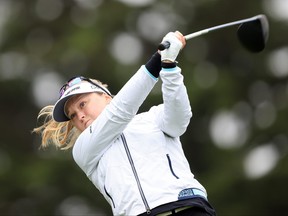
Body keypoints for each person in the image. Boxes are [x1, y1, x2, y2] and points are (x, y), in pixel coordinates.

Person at [33, 31, 216, 216]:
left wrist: (169, 67)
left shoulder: (152, 118)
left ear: (106, 97)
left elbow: (179, 121)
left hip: (188, 207)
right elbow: (119, 113)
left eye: (82, 104)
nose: (79, 116)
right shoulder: (83, 150)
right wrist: (158, 59)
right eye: (72, 115)